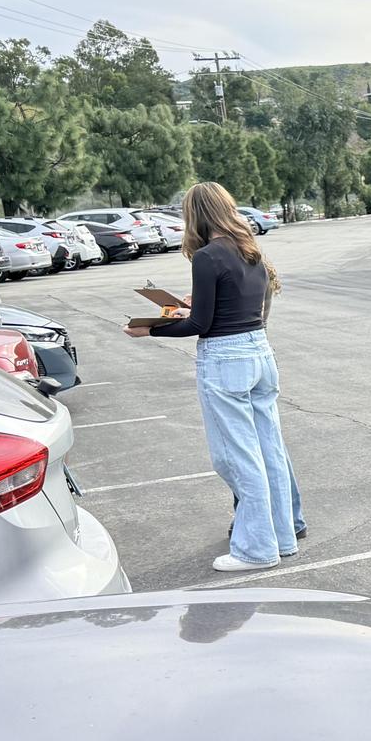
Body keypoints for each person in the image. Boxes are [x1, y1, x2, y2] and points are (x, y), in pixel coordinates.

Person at [125, 181, 298, 572]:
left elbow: (200, 323)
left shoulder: (207, 256)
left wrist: (149, 329)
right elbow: (229, 307)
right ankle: (282, 539)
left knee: (236, 457)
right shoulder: (251, 251)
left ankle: (255, 549)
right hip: (260, 353)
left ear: (196, 215)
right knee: (269, 451)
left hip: (226, 360)